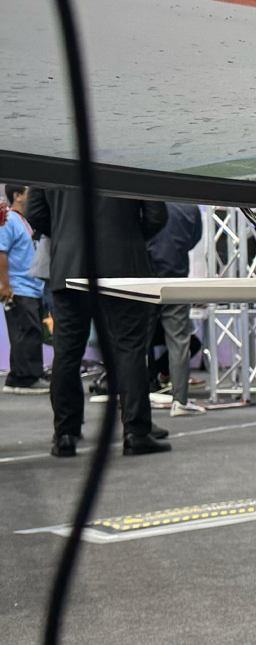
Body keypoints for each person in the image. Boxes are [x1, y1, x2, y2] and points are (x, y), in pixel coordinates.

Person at [25, 187, 170, 457]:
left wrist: (67, 234)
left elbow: (34, 213)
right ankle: (136, 431)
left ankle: (65, 434)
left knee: (67, 352)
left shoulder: (53, 155)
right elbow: (156, 215)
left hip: (69, 263)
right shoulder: (132, 155)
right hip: (124, 264)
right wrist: (130, 236)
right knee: (129, 349)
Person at [146, 201, 205, 416]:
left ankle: (135, 397)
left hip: (146, 277)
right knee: (179, 341)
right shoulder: (190, 207)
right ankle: (180, 400)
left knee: (138, 340)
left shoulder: (145, 199)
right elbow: (195, 238)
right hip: (176, 276)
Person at [2, 184, 48, 394]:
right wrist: (5, 285)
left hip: (32, 287)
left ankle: (30, 373)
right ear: (17, 196)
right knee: (25, 332)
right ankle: (23, 379)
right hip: (19, 287)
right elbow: (0, 253)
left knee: (33, 332)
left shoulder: (24, 221)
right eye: (29, 193)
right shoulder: (9, 221)